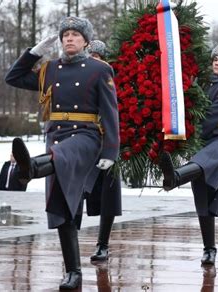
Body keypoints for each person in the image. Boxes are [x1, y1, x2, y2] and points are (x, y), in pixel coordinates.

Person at [4, 16, 119, 290]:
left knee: (64, 154)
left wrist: (111, 150)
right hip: (56, 137)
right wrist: (33, 53)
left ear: (86, 42)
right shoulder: (50, 69)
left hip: (87, 137)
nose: (69, 38)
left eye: (75, 35)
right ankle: (73, 272)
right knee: (63, 205)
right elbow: (13, 77)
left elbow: (110, 111)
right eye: (65, 34)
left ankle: (30, 168)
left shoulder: (98, 69)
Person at [159, 44, 218, 265]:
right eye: (215, 59)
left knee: (202, 163)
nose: (217, 62)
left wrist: (183, 134)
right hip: (204, 141)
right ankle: (209, 249)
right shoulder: (205, 84)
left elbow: (210, 119)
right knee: (203, 199)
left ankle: (175, 177)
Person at [85, 39, 122, 262]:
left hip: (107, 142)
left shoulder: (107, 76)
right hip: (84, 141)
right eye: (90, 56)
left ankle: (103, 244)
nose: (92, 61)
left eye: (97, 57)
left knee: (108, 196)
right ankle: (69, 240)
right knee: (76, 191)